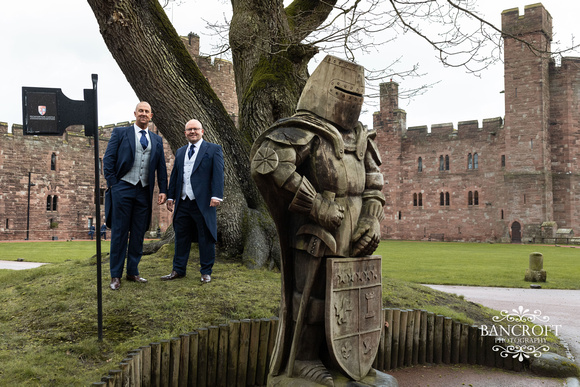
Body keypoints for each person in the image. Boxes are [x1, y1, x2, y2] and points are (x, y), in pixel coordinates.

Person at [250, 55, 386, 385]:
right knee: (310, 299)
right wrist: (314, 204)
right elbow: (269, 163)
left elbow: (374, 181)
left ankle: (340, 360)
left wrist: (372, 218)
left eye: (358, 95)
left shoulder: (360, 137)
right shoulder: (306, 130)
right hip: (317, 233)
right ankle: (303, 360)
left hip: (354, 235)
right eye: (343, 91)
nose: (352, 100)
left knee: (350, 299)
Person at [103, 101, 168, 290]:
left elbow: (161, 167)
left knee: (139, 234)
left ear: (151, 116)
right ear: (135, 113)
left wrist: (163, 189)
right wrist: (113, 184)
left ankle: (132, 271)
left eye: (147, 111)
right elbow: (108, 159)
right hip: (122, 187)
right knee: (120, 233)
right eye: (141, 111)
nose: (143, 114)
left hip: (144, 191)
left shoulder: (156, 140)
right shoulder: (120, 133)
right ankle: (115, 275)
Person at [161, 119, 224, 283]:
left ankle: (206, 271)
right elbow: (175, 175)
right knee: (181, 237)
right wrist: (170, 196)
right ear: (185, 133)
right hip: (183, 202)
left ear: (202, 131)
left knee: (206, 237)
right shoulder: (181, 151)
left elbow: (218, 174)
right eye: (189, 130)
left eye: (195, 129)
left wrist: (217, 195)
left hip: (203, 202)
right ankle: (178, 270)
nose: (192, 132)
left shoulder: (213, 149)